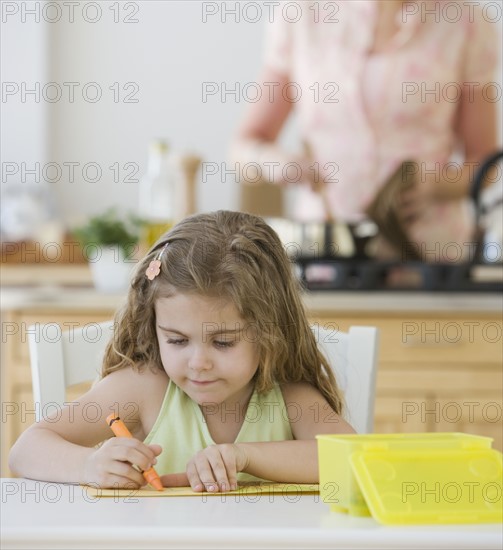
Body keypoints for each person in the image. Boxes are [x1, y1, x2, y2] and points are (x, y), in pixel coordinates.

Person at [9, 210, 354, 492]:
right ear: (154, 326)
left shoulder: (289, 397)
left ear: (269, 333)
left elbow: (351, 459)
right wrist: (89, 465)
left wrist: (243, 456)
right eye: (176, 340)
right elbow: (26, 450)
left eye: (223, 342)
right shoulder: (145, 389)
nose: (199, 363)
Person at [231, 0, 500, 261]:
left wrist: (436, 186)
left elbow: (487, 164)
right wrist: (275, 163)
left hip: (431, 255)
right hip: (324, 252)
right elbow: (242, 148)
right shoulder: (300, 15)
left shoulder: (465, 23)